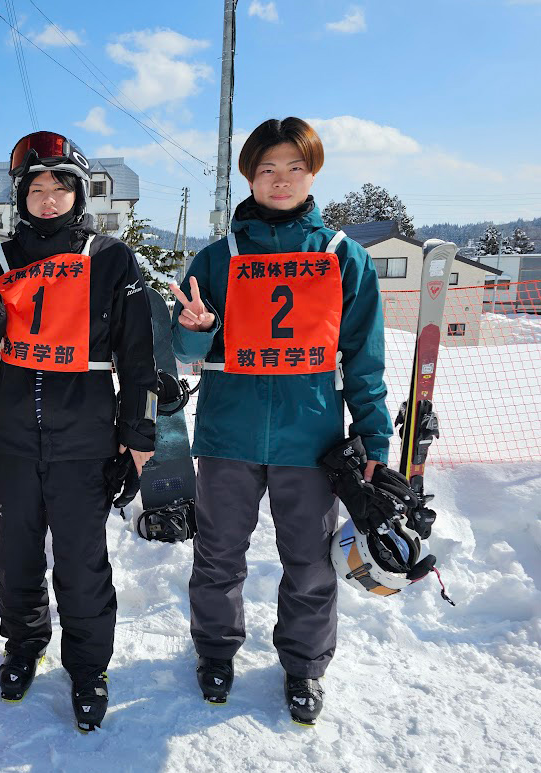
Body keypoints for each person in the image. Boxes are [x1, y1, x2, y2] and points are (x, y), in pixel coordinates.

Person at [170, 117, 392, 726]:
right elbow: (183, 353)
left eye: (295, 167)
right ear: (250, 175)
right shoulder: (218, 258)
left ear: (313, 173)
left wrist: (374, 437)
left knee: (310, 562)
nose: (281, 179)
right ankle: (215, 652)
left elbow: (364, 361)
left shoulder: (342, 257)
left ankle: (304, 665)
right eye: (268, 168)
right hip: (227, 436)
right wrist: (193, 331)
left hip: (312, 439)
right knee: (218, 557)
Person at [0, 131, 159, 732]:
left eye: (60, 186)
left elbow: (138, 353)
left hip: (85, 439)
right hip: (15, 439)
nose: (49, 199)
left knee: (81, 559)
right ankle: (23, 646)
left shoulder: (111, 258)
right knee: (14, 555)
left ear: (78, 190)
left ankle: (89, 667)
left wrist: (138, 434)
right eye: (36, 188)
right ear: (20, 196)